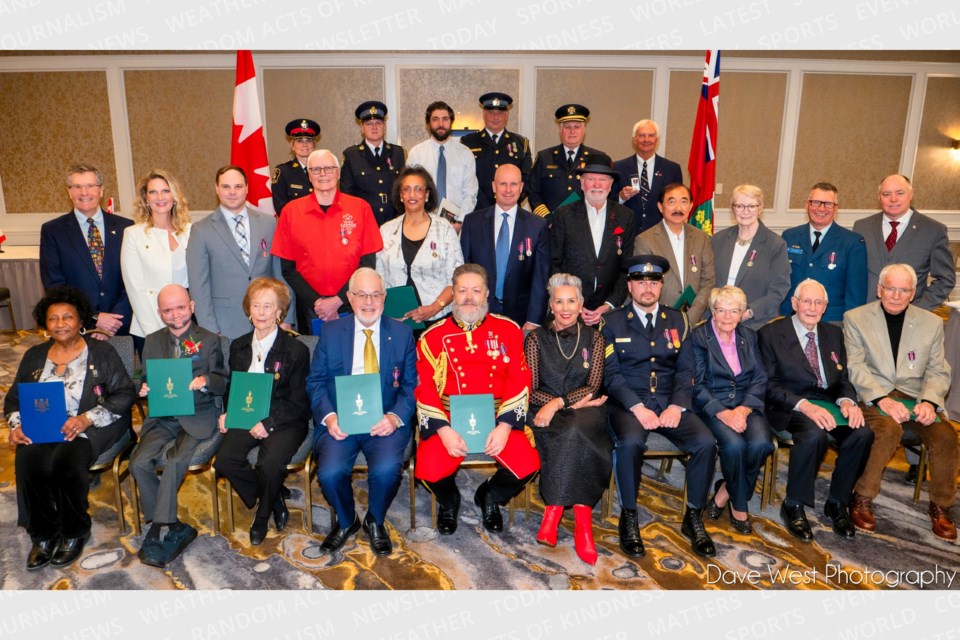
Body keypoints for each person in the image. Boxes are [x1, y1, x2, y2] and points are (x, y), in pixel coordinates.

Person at [4, 287, 135, 570]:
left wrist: (87, 418)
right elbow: (14, 399)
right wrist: (16, 426)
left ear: (81, 321)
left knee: (65, 461)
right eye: (53, 318)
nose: (60, 323)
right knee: (28, 460)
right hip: (43, 427)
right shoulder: (34, 356)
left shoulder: (101, 352)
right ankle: (43, 535)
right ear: (45, 324)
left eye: (68, 317)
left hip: (89, 425)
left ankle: (74, 531)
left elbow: (125, 393)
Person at [601, 255, 718, 558]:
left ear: (661, 285)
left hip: (669, 402)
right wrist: (638, 407)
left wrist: (677, 406)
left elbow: (685, 370)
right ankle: (629, 517)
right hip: (628, 405)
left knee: (706, 442)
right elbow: (611, 375)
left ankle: (693, 516)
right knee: (629, 442)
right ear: (630, 286)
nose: (647, 287)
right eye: (640, 281)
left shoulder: (678, 320)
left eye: (653, 282)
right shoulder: (611, 323)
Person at [414, 264, 540, 535]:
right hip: (447, 419)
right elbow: (424, 387)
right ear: (452, 294)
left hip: (498, 417)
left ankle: (490, 495)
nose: (469, 297)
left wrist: (505, 425)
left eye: (476, 291)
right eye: (462, 291)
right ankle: (450, 500)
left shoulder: (508, 330)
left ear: (486, 295)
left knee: (527, 465)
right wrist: (444, 431)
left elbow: (520, 378)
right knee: (429, 469)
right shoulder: (431, 337)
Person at [843, 263, 957, 541]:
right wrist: (882, 399)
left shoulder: (930, 322)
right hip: (873, 396)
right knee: (888, 429)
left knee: (946, 435)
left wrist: (929, 401)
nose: (896, 295)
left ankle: (941, 505)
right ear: (879, 289)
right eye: (890, 288)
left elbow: (938, 370)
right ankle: (863, 497)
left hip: (915, 397)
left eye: (903, 290)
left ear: (913, 293)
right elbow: (855, 367)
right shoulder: (856, 318)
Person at [307, 268, 416, 556]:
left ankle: (374, 519)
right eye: (362, 295)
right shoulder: (330, 332)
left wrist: (394, 418)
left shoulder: (402, 333)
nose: (369, 302)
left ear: (384, 297)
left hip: (384, 419)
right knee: (329, 474)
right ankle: (347, 521)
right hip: (341, 419)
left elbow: (411, 386)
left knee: (385, 470)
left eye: (376, 295)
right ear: (349, 298)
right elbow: (315, 382)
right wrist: (330, 417)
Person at [759, 279, 872, 541]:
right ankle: (794, 505)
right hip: (790, 403)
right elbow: (769, 385)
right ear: (794, 303)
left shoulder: (834, 334)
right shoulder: (771, 334)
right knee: (813, 435)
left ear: (825, 307)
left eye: (818, 302)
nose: (812, 307)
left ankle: (838, 502)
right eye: (806, 301)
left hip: (829, 402)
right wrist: (805, 406)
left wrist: (847, 402)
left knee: (862, 433)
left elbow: (843, 379)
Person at [129, 284, 227, 567]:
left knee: (174, 461)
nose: (175, 315)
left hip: (198, 414)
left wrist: (206, 381)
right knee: (138, 463)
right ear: (159, 313)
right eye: (168, 310)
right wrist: (143, 388)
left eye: (180, 308)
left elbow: (222, 379)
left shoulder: (209, 340)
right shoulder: (152, 341)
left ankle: (160, 526)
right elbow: (143, 376)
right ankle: (170, 523)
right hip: (163, 415)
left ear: (192, 307)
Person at [213, 278, 310, 545]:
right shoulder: (238, 346)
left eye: (269, 306)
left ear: (280, 312)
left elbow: (299, 401)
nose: (261, 313)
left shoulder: (296, 350)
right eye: (256, 306)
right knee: (225, 461)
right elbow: (232, 385)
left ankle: (263, 513)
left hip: (285, 419)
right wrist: (227, 412)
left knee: (269, 464)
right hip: (246, 414)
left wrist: (269, 422)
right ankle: (274, 495)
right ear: (248, 310)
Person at [525, 273, 610, 565]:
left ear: (581, 303)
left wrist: (560, 403)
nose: (565, 307)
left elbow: (593, 385)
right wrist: (556, 406)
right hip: (544, 412)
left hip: (585, 412)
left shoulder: (595, 338)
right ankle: (583, 526)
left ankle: (555, 510)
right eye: (558, 300)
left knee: (577, 428)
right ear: (550, 304)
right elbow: (531, 390)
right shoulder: (536, 339)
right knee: (572, 432)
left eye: (571, 300)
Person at [679, 285, 774, 535]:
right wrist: (722, 412)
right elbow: (696, 385)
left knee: (762, 444)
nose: (727, 316)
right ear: (712, 311)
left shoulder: (750, 337)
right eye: (721, 310)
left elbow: (760, 377)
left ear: (743, 313)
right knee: (734, 446)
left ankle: (723, 493)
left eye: (734, 311)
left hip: (745, 405)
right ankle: (739, 507)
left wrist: (743, 410)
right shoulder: (698, 338)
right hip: (713, 406)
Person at [271, 149, 383, 334]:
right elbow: (288, 269)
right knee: (316, 359)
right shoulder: (291, 212)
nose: (323, 174)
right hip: (310, 308)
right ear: (309, 175)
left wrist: (339, 300)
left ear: (338, 173)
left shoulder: (360, 208)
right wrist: (318, 303)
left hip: (353, 303)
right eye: (316, 169)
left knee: (352, 359)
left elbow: (368, 264)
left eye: (329, 168)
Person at [187, 166, 293, 340]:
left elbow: (281, 275)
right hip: (225, 327)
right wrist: (210, 330)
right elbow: (199, 287)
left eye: (237, 186)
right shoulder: (201, 230)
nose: (232, 192)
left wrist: (286, 318)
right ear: (216, 189)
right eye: (226, 187)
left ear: (246, 188)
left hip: (269, 321)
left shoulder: (268, 224)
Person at [40, 164, 134, 337]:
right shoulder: (53, 231)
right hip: (77, 328)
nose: (84, 192)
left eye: (90, 186)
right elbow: (54, 286)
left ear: (101, 190)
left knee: (123, 365)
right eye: (77, 187)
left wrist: (114, 320)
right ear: (69, 192)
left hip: (119, 327)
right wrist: (95, 317)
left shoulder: (126, 227)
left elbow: (135, 279)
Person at [549, 152, 634, 326]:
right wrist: (574, 304)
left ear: (610, 185)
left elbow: (626, 268)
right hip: (569, 313)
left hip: (609, 314)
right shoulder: (563, 215)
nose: (597, 185)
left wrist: (609, 305)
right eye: (590, 179)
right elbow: (554, 263)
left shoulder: (625, 216)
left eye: (602, 179)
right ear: (582, 183)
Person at [460, 164, 549, 330]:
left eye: (514, 184)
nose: (508, 190)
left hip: (521, 318)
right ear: (494, 186)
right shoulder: (472, 222)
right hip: (478, 313)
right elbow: (464, 271)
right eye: (503, 184)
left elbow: (540, 276)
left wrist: (534, 319)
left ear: (521, 187)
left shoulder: (537, 225)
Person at [853, 174, 954, 312]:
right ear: (879, 197)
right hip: (866, 316)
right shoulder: (862, 228)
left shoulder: (933, 230)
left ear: (911, 194)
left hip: (911, 322)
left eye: (900, 193)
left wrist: (918, 310)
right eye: (886, 194)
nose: (893, 199)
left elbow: (945, 280)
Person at [376, 166, 462, 325]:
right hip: (396, 319)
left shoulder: (444, 229)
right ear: (401, 195)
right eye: (406, 189)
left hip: (437, 319)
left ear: (427, 194)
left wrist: (435, 307)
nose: (412, 195)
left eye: (418, 189)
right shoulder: (386, 230)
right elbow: (378, 277)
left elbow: (457, 278)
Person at [121, 169, 192, 350]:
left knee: (191, 376)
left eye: (166, 191)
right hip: (148, 328)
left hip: (186, 325)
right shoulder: (133, 234)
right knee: (159, 379)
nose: (160, 197)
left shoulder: (190, 231)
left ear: (174, 195)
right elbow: (135, 288)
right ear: (146, 198)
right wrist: (155, 333)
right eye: (153, 192)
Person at [781, 182, 867, 323]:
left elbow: (856, 294)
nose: (821, 208)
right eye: (815, 202)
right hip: (791, 318)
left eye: (828, 204)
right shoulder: (789, 237)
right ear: (806, 205)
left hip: (832, 323)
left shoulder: (852, 242)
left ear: (836, 208)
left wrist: (851, 327)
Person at [633, 183, 715, 324]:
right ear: (660, 207)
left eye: (684, 202)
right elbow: (643, 284)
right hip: (658, 320)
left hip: (695, 320)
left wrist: (692, 316)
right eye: (671, 202)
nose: (678, 208)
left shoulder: (701, 238)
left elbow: (708, 280)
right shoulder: (645, 240)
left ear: (690, 206)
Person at [711, 184, 791, 330]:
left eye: (751, 206)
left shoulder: (775, 245)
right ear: (733, 209)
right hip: (718, 322)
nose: (745, 211)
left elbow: (779, 289)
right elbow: (709, 281)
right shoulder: (718, 240)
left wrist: (749, 312)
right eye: (740, 206)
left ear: (760, 209)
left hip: (756, 324)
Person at [528, 104, 606, 219]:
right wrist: (547, 219)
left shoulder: (597, 158)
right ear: (560, 130)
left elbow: (605, 193)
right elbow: (533, 192)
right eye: (567, 127)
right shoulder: (544, 157)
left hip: (586, 224)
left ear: (584, 130)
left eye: (577, 127)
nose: (572, 131)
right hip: (551, 226)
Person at [406, 101, 478, 222]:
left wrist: (460, 222)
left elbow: (470, 194)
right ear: (428, 123)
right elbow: (410, 192)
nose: (441, 124)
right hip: (423, 222)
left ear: (451, 122)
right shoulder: (416, 154)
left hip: (457, 223)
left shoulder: (465, 153)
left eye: (445, 119)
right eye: (435, 119)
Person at [459, 92, 532, 211]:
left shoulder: (521, 144)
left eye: (500, 113)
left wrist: (508, 201)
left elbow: (527, 180)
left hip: (509, 210)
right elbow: (463, 179)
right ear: (483, 114)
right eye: (491, 112)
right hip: (476, 210)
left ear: (507, 115)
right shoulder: (468, 142)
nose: (496, 117)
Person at [340, 101, 407, 226]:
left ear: (384, 126)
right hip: (364, 222)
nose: (374, 127)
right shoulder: (351, 156)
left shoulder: (398, 153)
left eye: (378, 123)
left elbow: (404, 189)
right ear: (362, 128)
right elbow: (346, 197)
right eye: (369, 123)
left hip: (394, 222)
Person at [612, 119, 684, 234]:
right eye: (641, 135)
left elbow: (678, 204)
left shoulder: (672, 169)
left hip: (661, 235)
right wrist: (621, 197)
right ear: (634, 139)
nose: (646, 140)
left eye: (651, 136)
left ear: (657, 140)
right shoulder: (618, 167)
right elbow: (608, 202)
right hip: (627, 234)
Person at [272, 118, 320, 215]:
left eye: (309, 140)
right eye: (299, 141)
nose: (305, 145)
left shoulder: (324, 170)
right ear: (292, 146)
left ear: (314, 145)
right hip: (295, 225)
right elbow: (281, 209)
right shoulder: (283, 172)